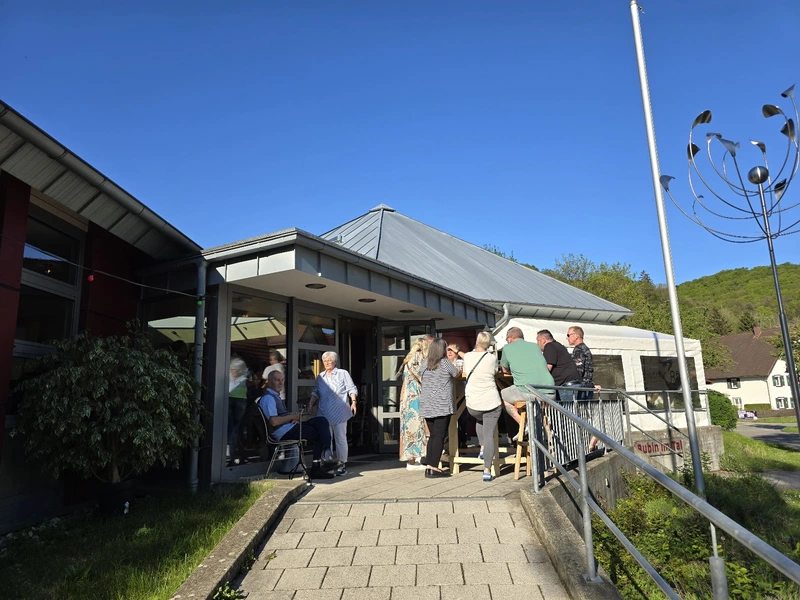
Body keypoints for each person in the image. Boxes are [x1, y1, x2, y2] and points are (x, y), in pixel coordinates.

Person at [258, 371, 334, 479]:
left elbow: (280, 417)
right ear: (269, 382)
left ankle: (325, 453)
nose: (281, 383)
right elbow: (273, 422)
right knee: (319, 432)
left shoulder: (275, 396)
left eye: (282, 380)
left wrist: (292, 419)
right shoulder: (268, 398)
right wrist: (291, 417)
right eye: (277, 380)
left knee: (321, 421)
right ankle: (319, 464)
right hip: (282, 432)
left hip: (288, 428)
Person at [309, 351, 357, 476]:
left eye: (329, 361)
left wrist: (354, 402)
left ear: (335, 362)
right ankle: (328, 464)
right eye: (325, 361)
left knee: (340, 438)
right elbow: (316, 392)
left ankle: (342, 464)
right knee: (326, 439)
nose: (327, 363)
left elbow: (351, 388)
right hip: (324, 411)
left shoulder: (342, 373)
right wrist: (310, 404)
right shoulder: (320, 377)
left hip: (339, 411)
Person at [463, 332, 502, 482]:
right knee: (489, 434)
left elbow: (466, 371)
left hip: (473, 402)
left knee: (480, 419)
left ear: (476, 341)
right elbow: (495, 372)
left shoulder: (467, 356)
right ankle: (487, 470)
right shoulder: (492, 358)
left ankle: (482, 448)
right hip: (491, 400)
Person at [419, 338, 461, 478]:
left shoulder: (425, 363)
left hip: (427, 404)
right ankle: (433, 467)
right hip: (442, 405)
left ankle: (429, 465)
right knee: (439, 436)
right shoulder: (445, 363)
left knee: (433, 435)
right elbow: (456, 374)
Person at [499, 327, 555, 425]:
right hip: (550, 392)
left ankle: (524, 424)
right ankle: (539, 429)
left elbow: (504, 369)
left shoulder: (507, 348)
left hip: (529, 391)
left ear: (510, 338)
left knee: (498, 396)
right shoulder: (535, 346)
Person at [399, 338, 429, 470]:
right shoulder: (419, 358)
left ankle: (410, 458)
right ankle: (415, 459)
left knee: (408, 426)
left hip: (406, 397)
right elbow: (424, 377)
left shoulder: (408, 359)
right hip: (416, 395)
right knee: (417, 426)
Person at [536, 329, 582, 403]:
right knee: (573, 412)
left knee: (566, 412)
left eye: (538, 340)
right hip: (574, 384)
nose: (537, 343)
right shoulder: (558, 345)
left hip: (566, 387)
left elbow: (548, 368)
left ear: (543, 340)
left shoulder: (549, 346)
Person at [227, 357, 250, 465]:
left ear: (240, 370)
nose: (232, 371)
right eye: (231, 369)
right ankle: (240, 456)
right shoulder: (242, 379)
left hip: (237, 402)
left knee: (233, 430)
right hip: (238, 401)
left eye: (234, 369)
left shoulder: (244, 380)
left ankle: (234, 458)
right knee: (235, 430)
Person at [446, 343, 469, 448]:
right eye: (448, 350)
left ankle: (462, 441)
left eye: (452, 350)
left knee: (462, 419)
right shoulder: (443, 363)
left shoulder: (461, 362)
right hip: (447, 396)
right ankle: (450, 443)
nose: (450, 352)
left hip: (460, 393)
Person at [567, 326, 597, 400]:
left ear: (576, 336)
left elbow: (578, 371)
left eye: (568, 335)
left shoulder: (579, 350)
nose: (567, 338)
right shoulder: (585, 349)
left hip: (582, 389)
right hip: (587, 387)